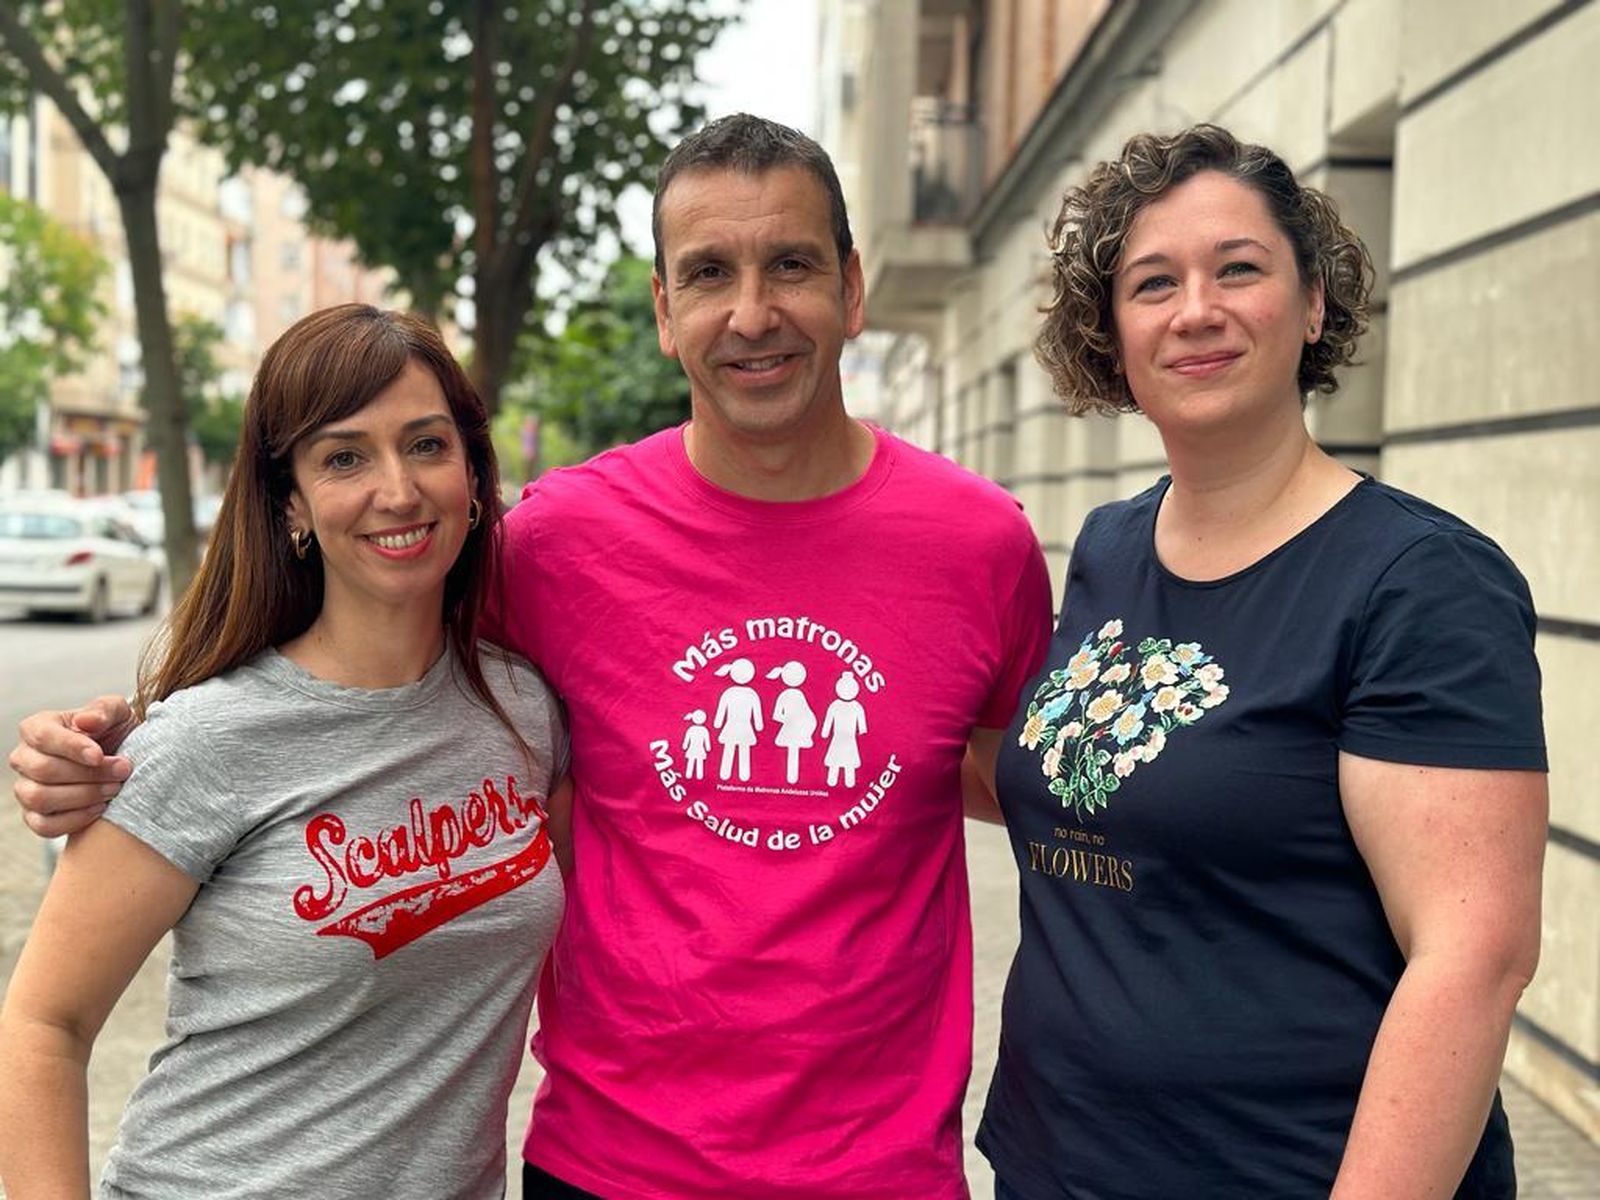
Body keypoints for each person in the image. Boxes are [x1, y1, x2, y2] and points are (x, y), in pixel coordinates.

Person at [9, 115, 1053, 1199]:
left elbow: (1013, 772)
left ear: (851, 285)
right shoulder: (559, 542)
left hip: (876, 1172)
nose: (752, 314)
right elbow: (345, 644)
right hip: (609, 1169)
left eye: (789, 263)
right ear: (663, 310)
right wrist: (118, 741)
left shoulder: (979, 546)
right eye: (707, 273)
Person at [968, 125, 1547, 1199]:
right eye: (1153, 283)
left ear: (1313, 303)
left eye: (1238, 268)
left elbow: (1472, 963)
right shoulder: (1104, 546)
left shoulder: (1419, 583)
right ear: (1113, 333)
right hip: (1056, 1161)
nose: (1196, 309)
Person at [0, 305, 566, 1199]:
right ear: (291, 501)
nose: (398, 490)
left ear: (471, 469)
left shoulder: (524, 712)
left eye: (426, 444)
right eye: (345, 457)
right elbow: (42, 1023)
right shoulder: (208, 738)